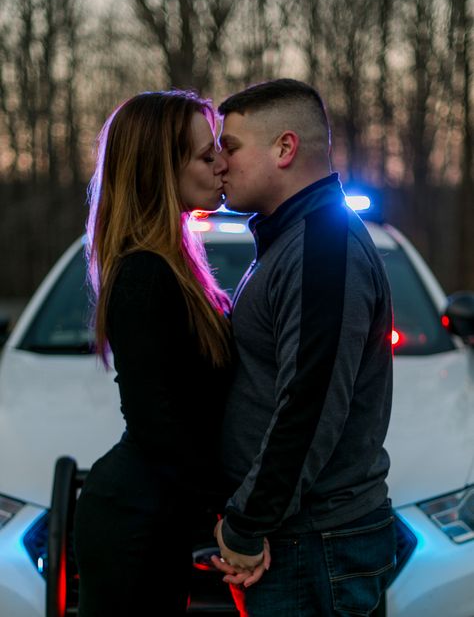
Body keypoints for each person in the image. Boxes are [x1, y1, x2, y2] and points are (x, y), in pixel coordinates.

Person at [211, 79, 397, 617]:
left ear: (285, 149)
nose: (220, 164)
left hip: (313, 545)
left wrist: (247, 524)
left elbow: (310, 405)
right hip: (299, 540)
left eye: (231, 147)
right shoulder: (293, 240)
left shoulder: (322, 247)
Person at [73, 90, 232, 616]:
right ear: (161, 168)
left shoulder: (176, 263)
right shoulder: (145, 273)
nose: (220, 164)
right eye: (205, 155)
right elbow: (157, 424)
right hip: (133, 523)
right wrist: (226, 517)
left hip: (157, 515)